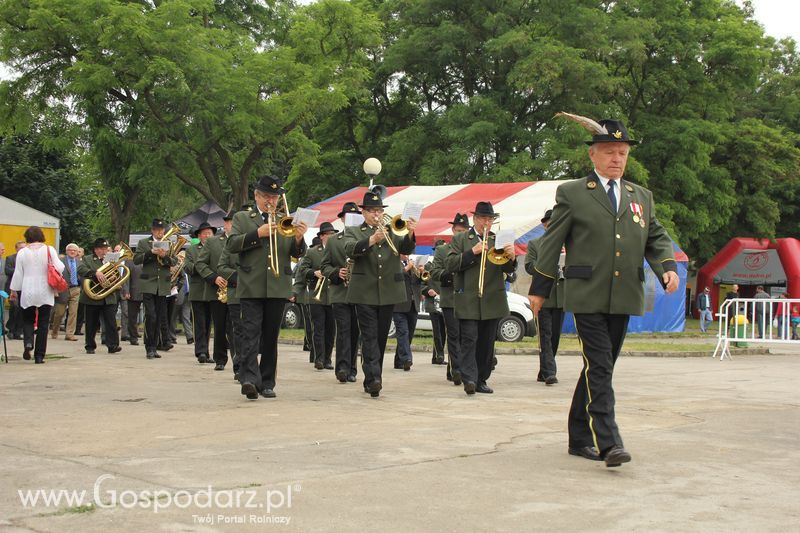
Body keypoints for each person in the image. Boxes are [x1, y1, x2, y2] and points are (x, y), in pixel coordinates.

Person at [528, 115, 679, 468]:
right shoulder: (574, 193)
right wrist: (540, 289)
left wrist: (668, 267)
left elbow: (655, 237)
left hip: (625, 293)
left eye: (622, 153)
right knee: (598, 364)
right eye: (609, 151)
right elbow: (552, 244)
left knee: (600, 367)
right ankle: (609, 441)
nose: (616, 159)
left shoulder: (640, 196)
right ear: (593, 156)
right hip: (587, 293)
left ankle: (578, 435)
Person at [227, 175, 308, 400]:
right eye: (266, 196)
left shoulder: (286, 221)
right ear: (256, 196)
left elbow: (297, 253)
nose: (270, 201)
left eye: (274, 197)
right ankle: (250, 380)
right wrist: (257, 234)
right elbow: (232, 244)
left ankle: (268, 381)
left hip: (278, 285)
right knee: (250, 334)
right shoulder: (244, 218)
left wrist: (300, 239)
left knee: (271, 336)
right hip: (251, 285)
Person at [344, 191, 417, 397]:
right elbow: (349, 250)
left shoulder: (392, 230)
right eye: (372, 211)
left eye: (379, 210)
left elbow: (406, 248)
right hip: (364, 292)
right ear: (364, 212)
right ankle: (374, 378)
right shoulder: (354, 231)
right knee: (369, 336)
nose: (376, 215)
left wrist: (410, 233)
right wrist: (371, 239)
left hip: (388, 292)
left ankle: (373, 377)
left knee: (381, 338)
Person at [445, 202, 517, 396]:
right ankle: (469, 378)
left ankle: (481, 379)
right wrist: (472, 252)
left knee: (486, 343)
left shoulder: (498, 239)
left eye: (490, 219)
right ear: (475, 219)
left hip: (492, 300)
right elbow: (450, 264)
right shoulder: (461, 239)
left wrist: (512, 258)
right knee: (469, 339)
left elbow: (508, 270)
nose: (487, 222)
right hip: (468, 298)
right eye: (484, 218)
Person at [321, 201, 362, 384]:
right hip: (340, 292)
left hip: (360, 292)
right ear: (342, 219)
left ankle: (352, 368)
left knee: (355, 331)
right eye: (348, 216)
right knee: (344, 330)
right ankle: (342, 368)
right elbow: (324, 266)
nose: (351, 219)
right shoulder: (333, 241)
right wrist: (336, 272)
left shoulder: (364, 239)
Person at [9, 226, 64, 363]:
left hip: (27, 289)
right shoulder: (49, 249)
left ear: (27, 237)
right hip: (45, 289)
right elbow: (60, 267)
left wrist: (14, 290)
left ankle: (28, 343)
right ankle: (39, 355)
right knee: (43, 323)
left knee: (28, 319)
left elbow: (18, 273)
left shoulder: (22, 253)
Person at [525, 209, 565, 385]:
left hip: (561, 296)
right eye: (548, 223)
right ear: (544, 225)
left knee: (555, 335)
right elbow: (528, 266)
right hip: (542, 295)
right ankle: (550, 372)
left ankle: (544, 370)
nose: (551, 225)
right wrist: (546, 265)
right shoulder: (535, 243)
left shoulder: (566, 243)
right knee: (545, 334)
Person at [429, 214, 469, 384]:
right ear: (453, 230)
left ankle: (454, 369)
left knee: (465, 337)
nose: (460, 233)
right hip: (450, 298)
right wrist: (452, 275)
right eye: (457, 230)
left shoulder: (472, 248)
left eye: (464, 230)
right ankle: (457, 370)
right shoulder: (442, 250)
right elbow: (435, 272)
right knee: (453, 336)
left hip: (468, 299)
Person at [134, 219, 178, 360]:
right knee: (151, 316)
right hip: (148, 283)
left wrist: (165, 257)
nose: (159, 232)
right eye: (157, 230)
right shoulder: (143, 243)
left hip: (163, 285)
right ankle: (149, 347)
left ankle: (156, 345)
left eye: (161, 230)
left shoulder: (169, 243)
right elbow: (136, 259)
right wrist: (151, 253)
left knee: (159, 317)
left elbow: (175, 261)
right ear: (152, 231)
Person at [298, 223, 337, 370]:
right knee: (318, 328)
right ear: (321, 236)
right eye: (328, 234)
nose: (331, 236)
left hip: (332, 295)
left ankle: (327, 359)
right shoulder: (312, 252)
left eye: (333, 234)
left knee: (331, 329)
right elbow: (302, 269)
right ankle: (318, 358)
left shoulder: (337, 251)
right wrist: (314, 272)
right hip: (316, 294)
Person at [196, 221, 231, 370]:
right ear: (225, 224)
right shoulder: (213, 242)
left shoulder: (246, 239)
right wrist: (213, 278)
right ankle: (220, 359)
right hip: (217, 292)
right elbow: (200, 264)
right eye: (230, 222)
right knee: (220, 327)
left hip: (241, 290)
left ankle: (240, 362)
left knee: (238, 328)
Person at [78, 238, 122, 354]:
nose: (104, 252)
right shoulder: (88, 259)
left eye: (106, 249)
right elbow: (81, 269)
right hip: (93, 296)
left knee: (111, 322)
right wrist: (95, 273)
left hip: (108, 296)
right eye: (102, 249)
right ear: (96, 250)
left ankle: (113, 345)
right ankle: (90, 346)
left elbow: (117, 274)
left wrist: (114, 278)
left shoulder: (111, 259)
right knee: (91, 323)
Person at [184, 222, 220, 364]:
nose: (207, 235)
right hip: (198, 291)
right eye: (204, 233)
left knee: (208, 322)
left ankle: (207, 352)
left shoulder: (217, 249)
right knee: (199, 323)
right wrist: (203, 268)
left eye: (209, 233)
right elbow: (188, 267)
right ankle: (200, 352)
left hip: (212, 290)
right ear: (199, 236)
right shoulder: (192, 250)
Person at [217, 211, 242, 380]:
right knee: (237, 332)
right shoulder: (224, 243)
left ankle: (251, 366)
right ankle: (239, 367)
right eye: (229, 222)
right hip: (235, 292)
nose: (231, 225)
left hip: (256, 294)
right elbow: (222, 266)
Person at [392, 255, 421, 371]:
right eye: (405, 252)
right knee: (403, 332)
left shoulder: (412, 264)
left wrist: (420, 272)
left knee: (409, 334)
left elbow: (420, 282)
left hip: (413, 305)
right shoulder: (394, 263)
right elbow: (393, 278)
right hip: (399, 304)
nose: (407, 255)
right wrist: (406, 269)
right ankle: (406, 359)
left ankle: (398, 361)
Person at [420, 246, 446, 365]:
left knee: (444, 331)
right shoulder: (428, 267)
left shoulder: (448, 266)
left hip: (445, 302)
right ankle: (439, 354)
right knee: (437, 331)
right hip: (432, 303)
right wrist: (428, 290)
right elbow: (421, 285)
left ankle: (437, 356)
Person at [5, 240, 26, 340]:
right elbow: (8, 270)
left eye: (24, 248)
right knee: (15, 307)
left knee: (23, 308)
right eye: (21, 248)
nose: (23, 250)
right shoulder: (10, 258)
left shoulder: (28, 259)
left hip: (24, 287)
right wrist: (20, 270)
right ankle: (11, 329)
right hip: (12, 287)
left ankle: (19, 331)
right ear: (16, 248)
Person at [126, 254, 143, 345]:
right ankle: (133, 337)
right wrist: (126, 291)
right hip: (134, 291)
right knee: (132, 316)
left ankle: (149, 338)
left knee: (150, 315)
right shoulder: (130, 261)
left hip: (148, 291)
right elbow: (126, 277)